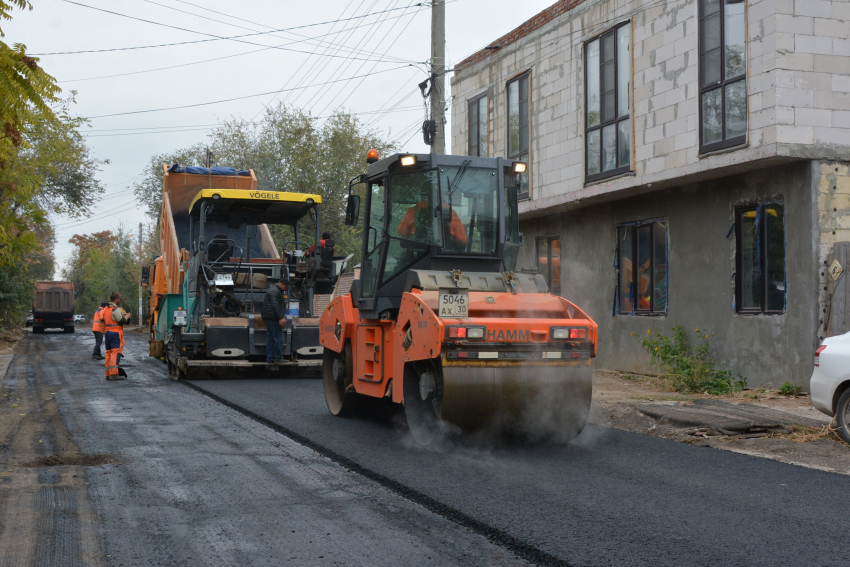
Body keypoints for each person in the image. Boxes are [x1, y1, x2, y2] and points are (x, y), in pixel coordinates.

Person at [397, 200, 467, 247]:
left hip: (418, 251)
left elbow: (402, 231)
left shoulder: (413, 211)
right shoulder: (452, 213)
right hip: (444, 253)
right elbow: (461, 239)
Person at [261, 276, 289, 364]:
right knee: (278, 337)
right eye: (286, 287)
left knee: (270, 338)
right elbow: (275, 305)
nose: (286, 289)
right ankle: (278, 358)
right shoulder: (275, 291)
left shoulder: (274, 290)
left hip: (268, 317)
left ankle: (270, 359)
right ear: (282, 284)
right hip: (272, 317)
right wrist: (280, 318)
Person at [103, 292, 130, 380]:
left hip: (108, 333)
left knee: (108, 353)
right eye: (120, 298)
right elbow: (121, 321)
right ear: (116, 299)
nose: (120, 300)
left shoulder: (106, 308)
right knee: (115, 353)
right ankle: (114, 373)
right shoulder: (116, 309)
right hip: (115, 334)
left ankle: (108, 373)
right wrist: (127, 317)